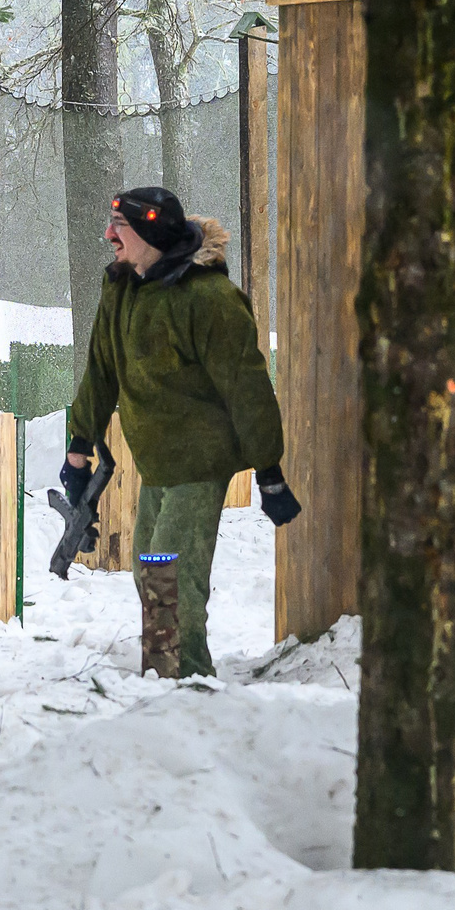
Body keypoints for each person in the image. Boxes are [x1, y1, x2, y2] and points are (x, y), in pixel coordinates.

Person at [62, 186, 300, 678]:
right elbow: (101, 370)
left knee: (167, 575)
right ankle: (166, 677)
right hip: (159, 465)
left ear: (149, 232)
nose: (109, 236)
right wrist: (79, 446)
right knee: (146, 569)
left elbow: (247, 387)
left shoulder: (208, 299)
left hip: (199, 463)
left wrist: (269, 472)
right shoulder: (123, 288)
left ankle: (186, 683)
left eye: (120, 227)